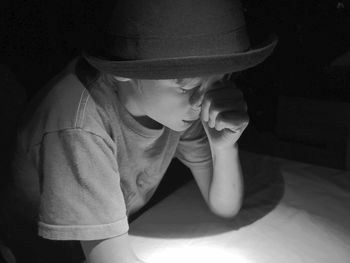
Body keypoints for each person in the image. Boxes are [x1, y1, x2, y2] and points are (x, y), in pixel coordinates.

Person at [7, 0, 278, 262]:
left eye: (217, 81)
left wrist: (224, 147)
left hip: (121, 235)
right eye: (185, 86)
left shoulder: (177, 107)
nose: (201, 103)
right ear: (122, 72)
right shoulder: (79, 123)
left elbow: (225, 207)